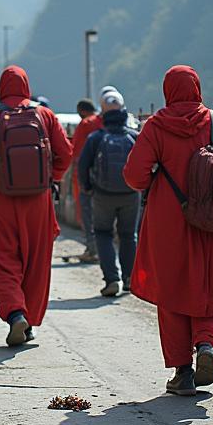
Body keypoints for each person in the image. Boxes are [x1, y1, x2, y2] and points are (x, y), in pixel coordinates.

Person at [123, 66, 213, 396]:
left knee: (172, 290)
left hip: (169, 220)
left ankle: (182, 372)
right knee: (209, 282)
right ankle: (206, 344)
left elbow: (134, 176)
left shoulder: (157, 126)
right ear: (197, 88)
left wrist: (156, 175)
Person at [0, 66, 72, 346]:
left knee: (0, 256)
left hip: (3, 196)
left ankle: (15, 313)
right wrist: (52, 178)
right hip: (40, 201)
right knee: (36, 261)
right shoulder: (44, 114)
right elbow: (65, 153)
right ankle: (30, 321)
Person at [78, 90, 140, 297]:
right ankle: (130, 278)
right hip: (131, 194)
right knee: (128, 235)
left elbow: (82, 166)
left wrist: (87, 187)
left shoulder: (96, 137)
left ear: (102, 111)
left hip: (102, 194)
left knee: (103, 234)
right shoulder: (133, 136)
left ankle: (112, 279)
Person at [68, 98, 102, 263]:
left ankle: (92, 250)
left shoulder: (86, 124)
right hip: (107, 180)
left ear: (81, 111)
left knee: (86, 214)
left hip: (86, 177)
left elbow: (76, 155)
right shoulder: (105, 122)